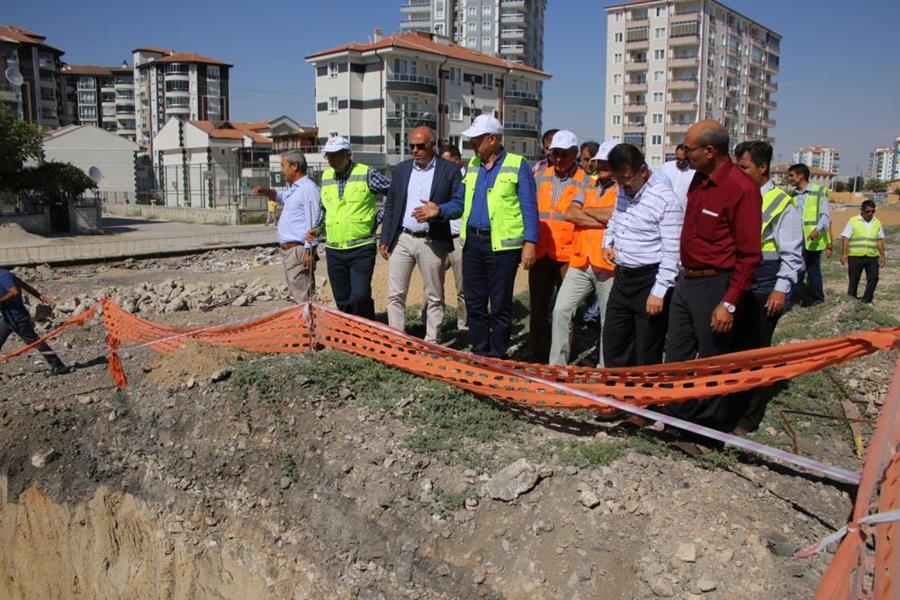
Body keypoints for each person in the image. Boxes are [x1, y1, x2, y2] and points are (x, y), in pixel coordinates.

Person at [662, 120, 762, 434]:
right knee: (677, 353)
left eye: (688, 148)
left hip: (717, 283)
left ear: (709, 151)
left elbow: (749, 255)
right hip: (687, 281)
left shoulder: (741, 189)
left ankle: (706, 430)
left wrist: (729, 303)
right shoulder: (699, 180)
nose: (683, 153)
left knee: (712, 359)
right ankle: (676, 419)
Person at [412, 114, 539, 358]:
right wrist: (439, 210)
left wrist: (530, 242)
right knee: (474, 302)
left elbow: (529, 208)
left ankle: (497, 355)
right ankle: (480, 351)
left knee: (500, 304)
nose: (472, 145)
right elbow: (460, 203)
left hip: (502, 247)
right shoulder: (472, 166)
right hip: (473, 243)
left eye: (477, 140)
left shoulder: (517, 164)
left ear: (492, 139)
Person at [729, 141, 803, 435]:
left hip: (765, 281)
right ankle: (731, 403)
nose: (739, 172)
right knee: (734, 347)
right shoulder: (739, 194)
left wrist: (780, 289)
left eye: (744, 167)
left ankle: (748, 417)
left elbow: (792, 254)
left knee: (756, 350)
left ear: (762, 167)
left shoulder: (781, 203)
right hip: (739, 278)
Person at [601, 143, 684, 368]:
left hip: (649, 281)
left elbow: (673, 252)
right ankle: (618, 388)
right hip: (622, 279)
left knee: (646, 349)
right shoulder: (623, 189)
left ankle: (644, 391)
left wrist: (659, 292)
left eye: (626, 179)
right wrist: (608, 242)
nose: (623, 185)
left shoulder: (665, 200)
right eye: (618, 180)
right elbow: (617, 218)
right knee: (614, 343)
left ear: (643, 171)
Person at [378, 127, 463, 342]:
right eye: (411, 146)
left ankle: (431, 339)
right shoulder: (401, 170)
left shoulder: (449, 171)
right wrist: (385, 238)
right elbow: (391, 205)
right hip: (403, 238)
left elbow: (459, 205)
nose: (415, 150)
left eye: (420, 146)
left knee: (434, 294)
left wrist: (439, 210)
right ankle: (397, 339)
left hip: (431, 239)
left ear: (433, 145)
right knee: (395, 294)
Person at [549, 139, 617, 367]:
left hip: (607, 264)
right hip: (580, 261)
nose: (601, 166)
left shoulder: (623, 188)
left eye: (607, 162)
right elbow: (570, 213)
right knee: (561, 310)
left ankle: (605, 369)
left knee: (609, 321)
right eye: (600, 161)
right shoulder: (589, 184)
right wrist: (603, 218)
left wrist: (589, 213)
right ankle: (557, 366)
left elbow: (618, 216)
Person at [310, 136, 390, 319]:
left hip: (361, 248)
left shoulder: (366, 173)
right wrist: (317, 229)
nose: (332, 160)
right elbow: (324, 209)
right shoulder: (326, 177)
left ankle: (368, 329)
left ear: (348, 154)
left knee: (360, 295)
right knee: (343, 299)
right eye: (329, 156)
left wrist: (378, 217)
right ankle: (350, 332)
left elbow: (394, 193)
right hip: (334, 250)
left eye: (336, 155)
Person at [530, 130, 586, 362]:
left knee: (565, 311)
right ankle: (538, 355)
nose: (559, 159)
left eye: (564, 154)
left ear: (575, 153)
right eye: (555, 154)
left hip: (569, 254)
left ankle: (562, 355)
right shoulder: (540, 176)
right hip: (542, 252)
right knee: (538, 307)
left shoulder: (586, 180)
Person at [251, 150, 321, 304]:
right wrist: (264, 191)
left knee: (304, 299)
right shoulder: (294, 189)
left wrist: (309, 250)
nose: (281, 170)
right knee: (298, 297)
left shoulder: (308, 189)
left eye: (283, 166)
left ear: (294, 166)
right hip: (291, 252)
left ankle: (309, 320)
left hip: (299, 251)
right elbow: (279, 196)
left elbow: (315, 221)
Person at [0, 268, 69, 375]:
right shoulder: (6, 274)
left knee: (35, 342)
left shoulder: (4, 275)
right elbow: (25, 285)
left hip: (18, 318)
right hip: (7, 318)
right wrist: (39, 295)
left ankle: (58, 366)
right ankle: (58, 365)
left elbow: (14, 291)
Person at [787, 163, 831, 306]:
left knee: (812, 270)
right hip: (797, 238)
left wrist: (817, 230)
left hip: (813, 239)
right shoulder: (794, 194)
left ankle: (817, 298)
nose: (789, 178)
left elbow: (825, 215)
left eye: (792, 175)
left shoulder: (819, 192)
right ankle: (796, 296)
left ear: (801, 176)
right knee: (796, 268)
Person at [439, 143, 467, 330]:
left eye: (447, 162)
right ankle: (431, 323)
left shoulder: (468, 180)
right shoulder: (440, 179)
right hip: (439, 238)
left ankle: (463, 324)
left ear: (457, 160)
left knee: (463, 287)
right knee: (432, 286)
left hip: (459, 241)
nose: (443, 166)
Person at [840, 200, 886, 303]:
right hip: (855, 256)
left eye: (872, 211)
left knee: (874, 278)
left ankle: (866, 300)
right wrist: (844, 254)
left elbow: (880, 240)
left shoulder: (877, 222)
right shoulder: (853, 221)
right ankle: (851, 301)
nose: (870, 213)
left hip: (872, 256)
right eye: (868, 211)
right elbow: (846, 238)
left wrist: (882, 256)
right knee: (854, 280)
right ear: (862, 210)